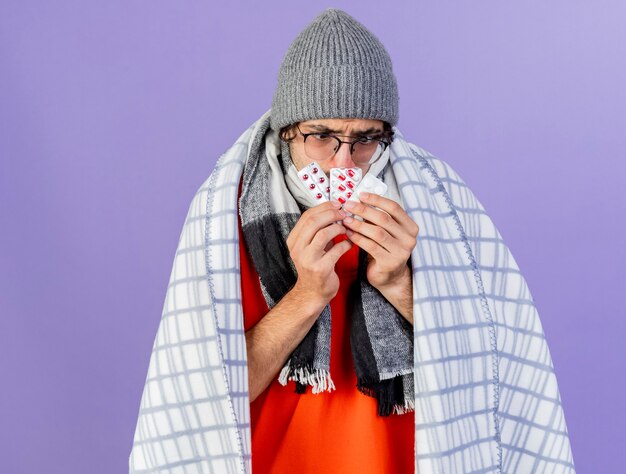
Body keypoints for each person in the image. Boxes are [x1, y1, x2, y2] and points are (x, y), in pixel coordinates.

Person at [129, 8, 575, 473]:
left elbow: (495, 366)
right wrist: (305, 296)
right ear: (287, 130)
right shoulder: (228, 213)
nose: (344, 164)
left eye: (365, 139)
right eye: (321, 136)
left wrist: (399, 283)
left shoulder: (438, 203)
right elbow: (202, 398)